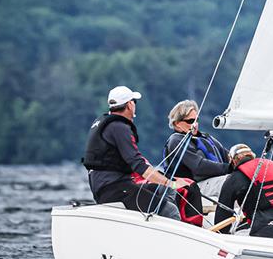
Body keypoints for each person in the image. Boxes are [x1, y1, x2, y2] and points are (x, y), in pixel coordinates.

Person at [82, 85, 200, 224]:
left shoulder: (106, 123)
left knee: (165, 191)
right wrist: (172, 183)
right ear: (130, 105)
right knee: (170, 211)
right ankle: (176, 239)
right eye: (134, 102)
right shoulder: (120, 128)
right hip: (115, 189)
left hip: (108, 186)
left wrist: (168, 186)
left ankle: (159, 227)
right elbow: (139, 165)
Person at [214, 144, 273, 240]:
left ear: (233, 161)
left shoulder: (235, 178)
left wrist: (221, 237)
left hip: (266, 230)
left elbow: (222, 214)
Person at [163, 100, 231, 199]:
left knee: (244, 179)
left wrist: (243, 161)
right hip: (192, 189)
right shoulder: (176, 140)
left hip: (212, 182)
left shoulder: (206, 138)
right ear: (177, 123)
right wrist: (229, 168)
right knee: (231, 182)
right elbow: (198, 167)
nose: (195, 125)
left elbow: (227, 155)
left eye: (196, 120)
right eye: (190, 121)